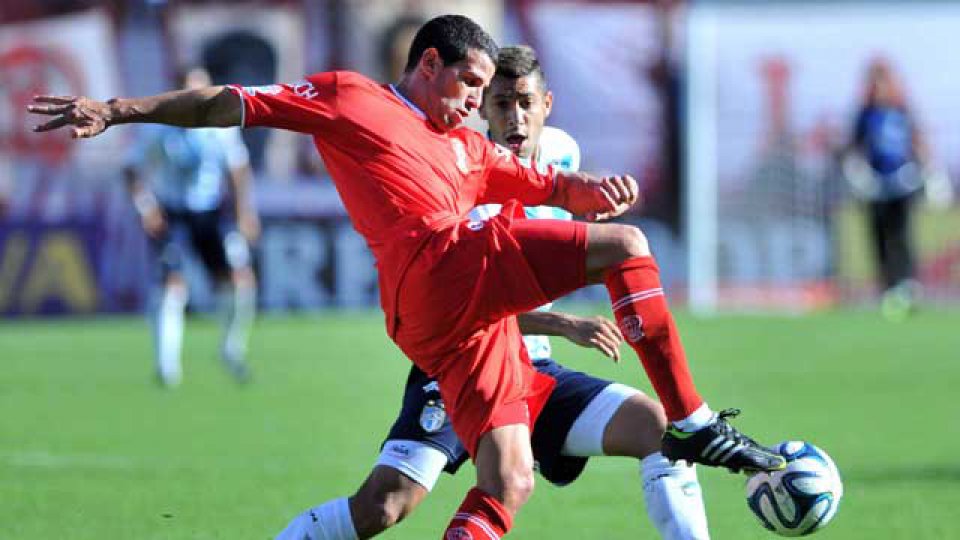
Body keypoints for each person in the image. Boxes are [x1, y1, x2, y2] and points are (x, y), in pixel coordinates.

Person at [29, 15, 784, 538]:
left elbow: (552, 186)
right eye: (470, 85)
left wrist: (593, 189)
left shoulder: (469, 149)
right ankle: (695, 422)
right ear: (428, 65)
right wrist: (118, 109)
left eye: (489, 92)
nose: (476, 104)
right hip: (435, 266)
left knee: (508, 480)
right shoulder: (352, 99)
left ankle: (681, 428)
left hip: (455, 324)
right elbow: (232, 103)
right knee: (625, 248)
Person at [274, 45, 710, 540]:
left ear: (547, 104)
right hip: (464, 358)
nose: (515, 117)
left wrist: (601, 203)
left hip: (534, 368)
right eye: (501, 104)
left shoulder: (562, 154)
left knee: (657, 429)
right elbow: (465, 301)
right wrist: (563, 322)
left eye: (525, 102)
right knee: (385, 504)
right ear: (481, 108)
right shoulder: (460, 175)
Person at [123, 67, 260, 386]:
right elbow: (131, 169)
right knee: (171, 284)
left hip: (211, 213)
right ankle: (166, 365)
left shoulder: (220, 126)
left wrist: (244, 212)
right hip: (172, 214)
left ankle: (230, 348)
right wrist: (146, 208)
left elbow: (238, 170)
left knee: (238, 279)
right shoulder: (159, 127)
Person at [845, 58, 933, 320]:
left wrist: (926, 171)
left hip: (902, 182)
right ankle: (888, 287)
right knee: (879, 235)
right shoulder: (865, 114)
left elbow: (918, 143)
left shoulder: (903, 111)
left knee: (901, 234)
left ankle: (906, 285)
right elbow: (854, 147)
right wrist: (858, 173)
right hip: (876, 185)